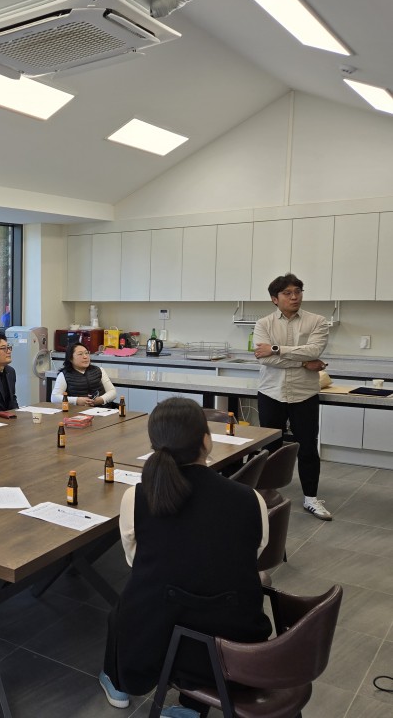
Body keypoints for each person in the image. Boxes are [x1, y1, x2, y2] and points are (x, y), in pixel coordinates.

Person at [98, 398, 271, 717]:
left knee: (126, 604)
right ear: (207, 441)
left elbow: (136, 561)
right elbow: (252, 554)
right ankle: (193, 706)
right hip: (232, 640)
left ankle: (118, 679)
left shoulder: (136, 497)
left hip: (156, 637)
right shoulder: (251, 500)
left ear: (154, 445)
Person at [254, 273, 331, 520]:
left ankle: (311, 499)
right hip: (271, 392)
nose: (294, 297)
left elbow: (314, 350)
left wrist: (276, 349)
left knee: (307, 448)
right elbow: (264, 359)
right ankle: (266, 495)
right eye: (287, 293)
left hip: (304, 394)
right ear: (274, 299)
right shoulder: (263, 324)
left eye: (298, 291)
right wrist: (304, 362)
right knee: (270, 448)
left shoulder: (317, 321)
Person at [50, 342, 117, 406]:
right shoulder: (64, 375)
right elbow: (54, 398)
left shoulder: (99, 370)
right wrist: (76, 401)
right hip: (78, 411)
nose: (85, 357)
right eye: (80, 354)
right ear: (70, 358)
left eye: (86, 353)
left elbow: (112, 392)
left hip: (103, 409)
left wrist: (101, 399)